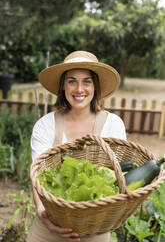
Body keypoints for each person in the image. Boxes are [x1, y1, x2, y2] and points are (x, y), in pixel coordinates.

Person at [27, 50, 126, 242]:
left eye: (86, 81)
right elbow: (37, 175)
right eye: (72, 81)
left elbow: (118, 177)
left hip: (94, 228)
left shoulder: (113, 124)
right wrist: (41, 211)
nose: (79, 89)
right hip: (49, 225)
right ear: (63, 86)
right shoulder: (46, 125)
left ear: (95, 86)